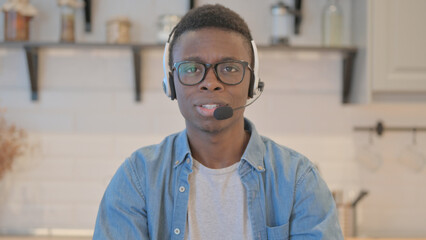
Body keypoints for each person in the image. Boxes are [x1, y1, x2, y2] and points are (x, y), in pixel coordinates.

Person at [93, 4, 343, 240]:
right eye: (191, 68)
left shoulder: (298, 179)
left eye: (229, 68)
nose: (210, 82)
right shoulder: (137, 178)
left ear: (252, 82)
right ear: (171, 84)